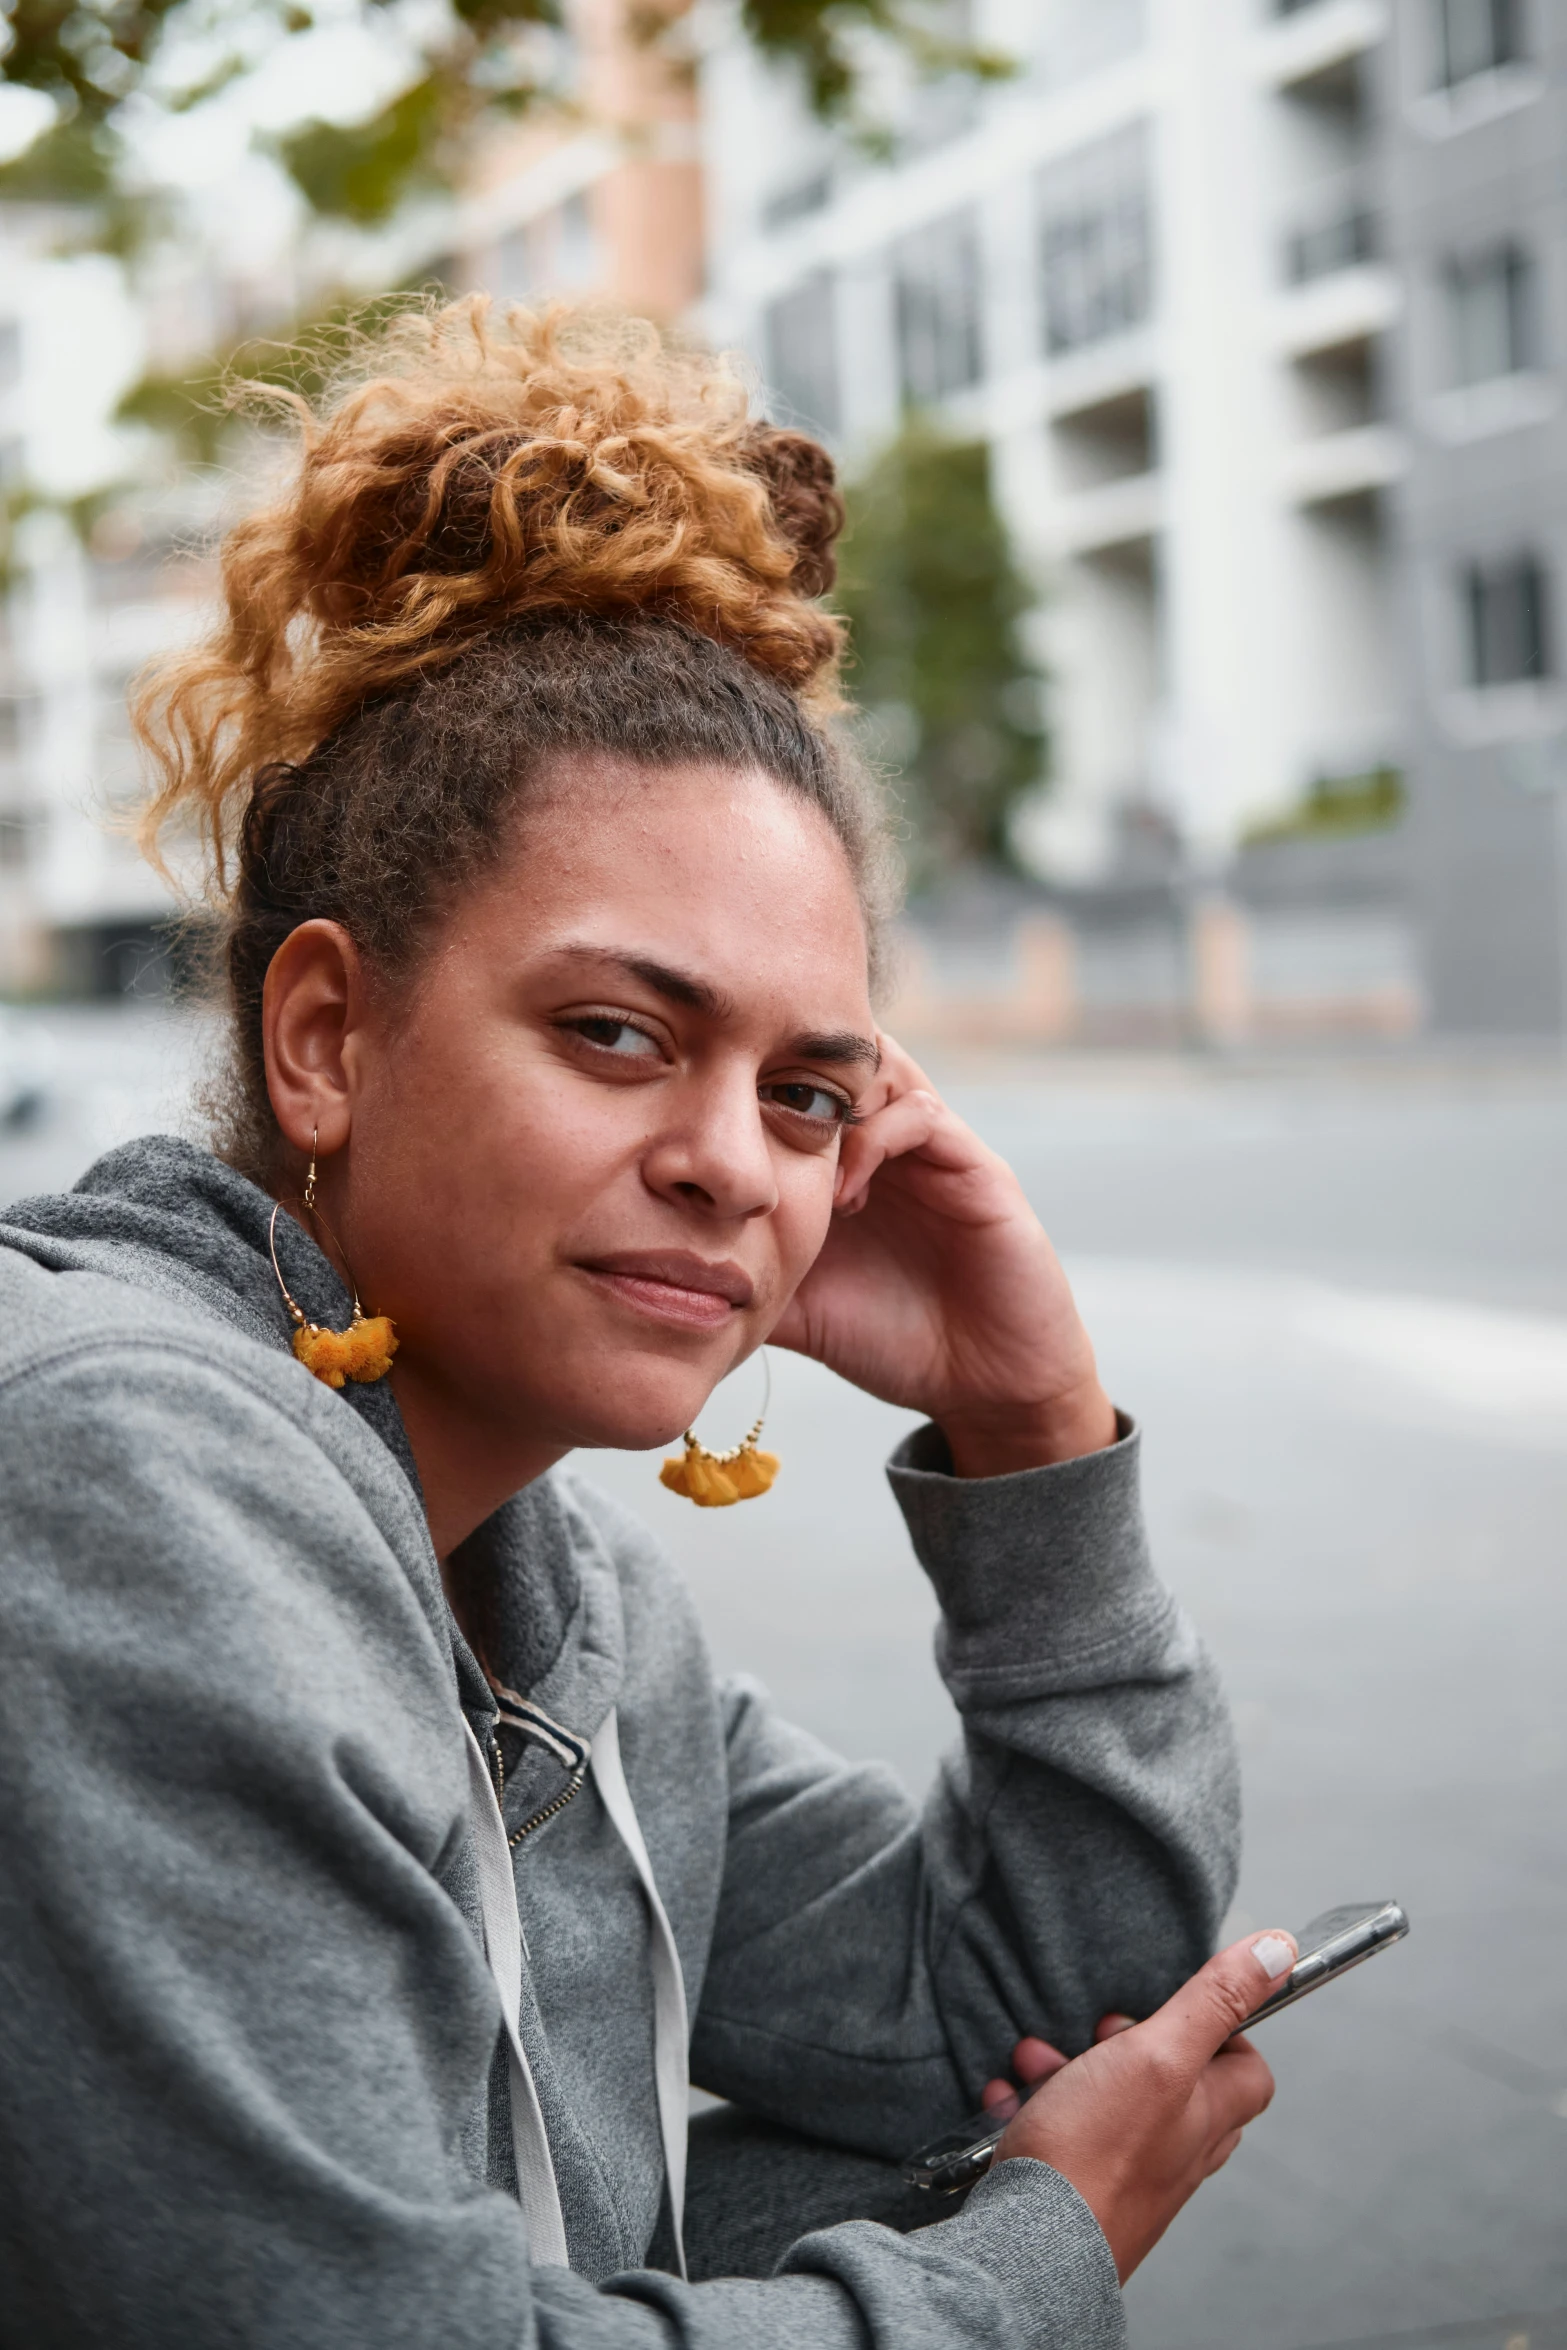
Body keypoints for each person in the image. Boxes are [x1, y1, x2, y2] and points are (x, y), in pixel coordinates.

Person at [0, 301, 1292, 2349]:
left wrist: (1030, 1420)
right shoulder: (114, 1465)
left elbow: (1035, 2001)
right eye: (618, 1033)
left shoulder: (564, 1606)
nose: (734, 1162)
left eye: (807, 1090)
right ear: (327, 1035)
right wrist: (1016, 2273)